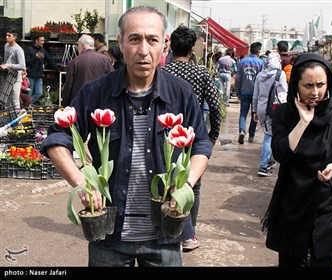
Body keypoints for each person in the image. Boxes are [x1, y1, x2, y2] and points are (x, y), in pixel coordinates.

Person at [41, 6, 212, 267]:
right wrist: (81, 184)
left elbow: (200, 143)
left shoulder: (181, 94)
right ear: (120, 43)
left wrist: (185, 183)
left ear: (164, 46)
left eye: (152, 39)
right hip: (109, 235)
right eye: (134, 39)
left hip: (164, 234)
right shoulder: (97, 93)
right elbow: (56, 139)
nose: (143, 50)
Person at [261, 53, 332, 267]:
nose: (315, 92)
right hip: (292, 201)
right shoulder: (284, 114)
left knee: (323, 260)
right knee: (290, 261)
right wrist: (303, 123)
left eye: (320, 84)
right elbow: (280, 153)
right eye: (308, 86)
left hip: (328, 201)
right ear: (296, 84)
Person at [162, 25, 220, 252]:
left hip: (165, 134)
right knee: (192, 184)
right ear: (192, 48)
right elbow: (215, 107)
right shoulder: (202, 73)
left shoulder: (163, 72)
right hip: (193, 136)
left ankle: (167, 226)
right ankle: (187, 234)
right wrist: (212, 135)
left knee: (167, 179)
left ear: (171, 46)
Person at [253, 52, 287, 177]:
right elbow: (284, 92)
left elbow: (255, 95)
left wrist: (255, 111)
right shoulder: (280, 74)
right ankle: (263, 166)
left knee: (269, 134)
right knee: (269, 136)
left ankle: (270, 161)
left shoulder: (260, 75)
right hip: (275, 108)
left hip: (262, 108)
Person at [61, 34, 114, 107]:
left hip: (79, 102)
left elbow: (68, 85)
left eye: (78, 45)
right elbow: (113, 79)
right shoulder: (104, 60)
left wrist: (65, 104)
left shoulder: (75, 61)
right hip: (100, 101)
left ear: (83, 45)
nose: (77, 48)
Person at [235, 42, 264, 144]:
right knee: (254, 114)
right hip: (256, 93)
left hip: (244, 92)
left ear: (250, 50)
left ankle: (242, 131)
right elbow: (262, 79)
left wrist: (237, 91)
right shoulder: (261, 63)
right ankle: (251, 135)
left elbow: (238, 78)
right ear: (258, 51)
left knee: (243, 113)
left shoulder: (242, 62)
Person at [25, 34, 59, 104]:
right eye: (41, 40)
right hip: (30, 76)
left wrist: (57, 68)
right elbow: (26, 62)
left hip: (39, 76)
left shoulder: (42, 50)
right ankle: (26, 105)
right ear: (36, 41)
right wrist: (36, 58)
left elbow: (49, 60)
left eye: (43, 41)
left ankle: (26, 104)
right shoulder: (29, 50)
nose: (43, 42)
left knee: (39, 93)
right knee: (29, 94)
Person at [1, 31, 25, 109]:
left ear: (15, 37)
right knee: (5, 98)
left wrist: (8, 65)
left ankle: (18, 119)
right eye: (6, 35)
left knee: (15, 99)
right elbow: (6, 60)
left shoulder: (18, 49)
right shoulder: (6, 46)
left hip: (16, 77)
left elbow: (22, 65)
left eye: (9, 35)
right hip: (7, 75)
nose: (7, 37)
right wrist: (4, 65)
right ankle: (7, 117)